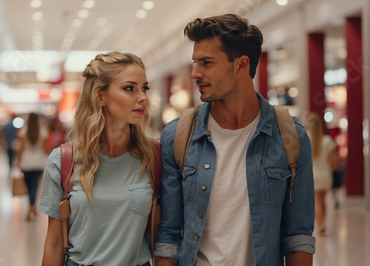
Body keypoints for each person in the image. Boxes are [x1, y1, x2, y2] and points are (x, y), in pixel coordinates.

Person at [154, 14, 315, 266]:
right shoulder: (178, 136)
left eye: (206, 63)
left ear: (241, 65)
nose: (195, 73)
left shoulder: (290, 136)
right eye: (195, 62)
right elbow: (169, 235)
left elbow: (298, 236)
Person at [39, 51, 157, 266]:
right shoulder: (63, 160)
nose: (143, 97)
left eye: (144, 88)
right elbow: (54, 243)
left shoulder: (154, 157)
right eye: (129, 88)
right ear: (101, 96)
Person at [304, 112, 337, 234]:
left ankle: (320, 224)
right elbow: (332, 162)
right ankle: (322, 221)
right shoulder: (327, 141)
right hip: (326, 175)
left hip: (313, 175)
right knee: (323, 201)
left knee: (317, 201)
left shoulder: (306, 139)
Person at [15, 112, 48, 221]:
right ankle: (32, 206)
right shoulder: (43, 132)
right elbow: (46, 148)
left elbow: (21, 148)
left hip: (26, 162)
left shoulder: (23, 131)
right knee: (34, 185)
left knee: (28, 186)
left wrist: (18, 161)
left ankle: (31, 206)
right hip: (38, 162)